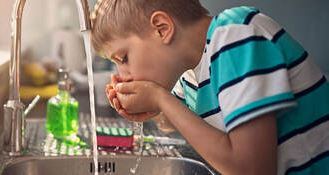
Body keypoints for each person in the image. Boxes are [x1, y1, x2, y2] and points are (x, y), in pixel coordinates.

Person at [91, 0, 329, 174]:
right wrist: (149, 108)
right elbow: (170, 122)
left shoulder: (235, 35)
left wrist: (159, 99)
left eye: (123, 59)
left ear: (161, 28)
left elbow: (251, 169)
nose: (123, 76)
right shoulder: (191, 72)